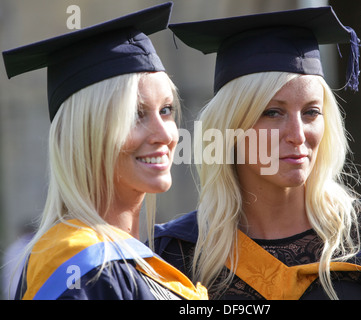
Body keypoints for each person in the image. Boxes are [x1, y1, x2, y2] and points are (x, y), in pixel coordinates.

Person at [154, 6, 361, 300]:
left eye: (311, 112)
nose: (297, 134)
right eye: (272, 112)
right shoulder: (175, 254)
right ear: (231, 126)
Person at [2, 2, 207, 300]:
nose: (165, 134)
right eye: (135, 115)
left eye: (166, 110)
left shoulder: (146, 259)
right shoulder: (78, 268)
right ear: (86, 133)